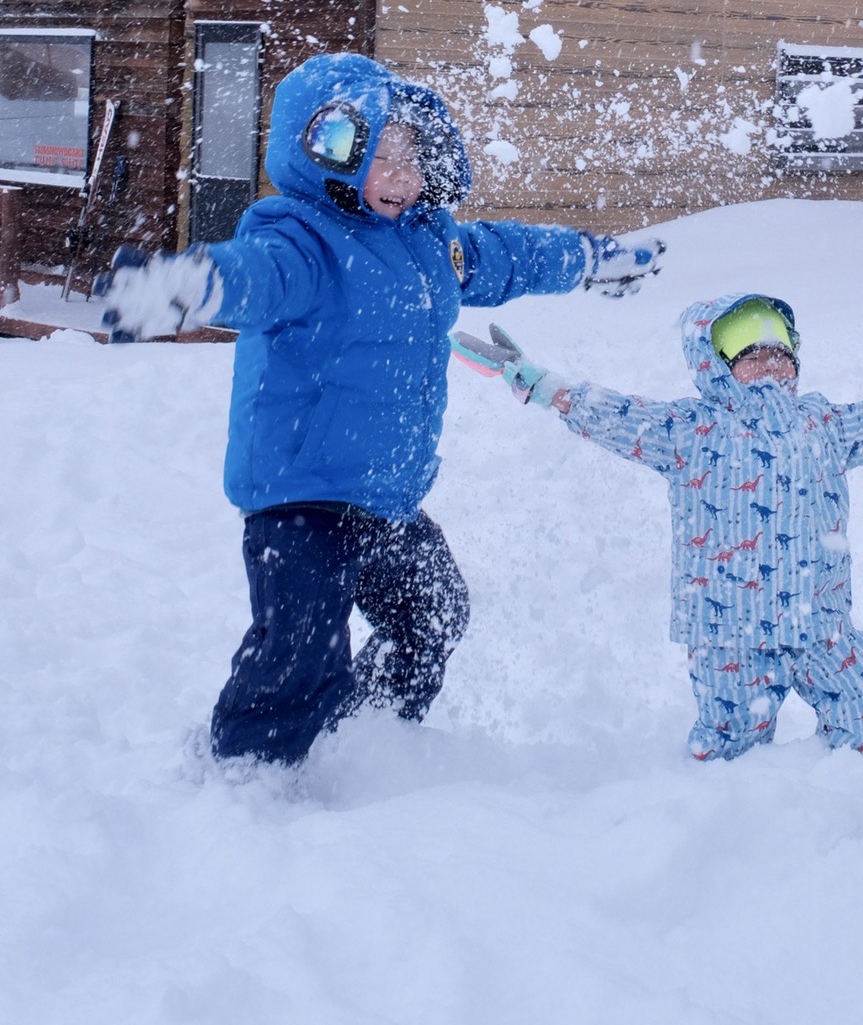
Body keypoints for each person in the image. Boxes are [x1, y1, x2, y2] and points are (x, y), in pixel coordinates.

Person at [95, 52, 663, 766]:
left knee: (433, 613)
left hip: (386, 496)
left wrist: (586, 259)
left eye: (414, 158)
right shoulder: (300, 239)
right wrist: (194, 286)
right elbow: (257, 277)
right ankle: (247, 781)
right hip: (301, 496)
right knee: (301, 646)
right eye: (379, 157)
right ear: (323, 151)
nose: (401, 176)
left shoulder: (431, 242)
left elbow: (504, 255)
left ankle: (363, 741)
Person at [451, 292, 863, 762]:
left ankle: (834, 802)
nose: (770, 365)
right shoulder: (689, 430)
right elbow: (613, 414)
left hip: (818, 622)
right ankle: (721, 822)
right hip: (727, 630)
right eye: (750, 355)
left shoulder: (824, 425)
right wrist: (538, 383)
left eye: (780, 354)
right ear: (713, 363)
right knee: (730, 744)